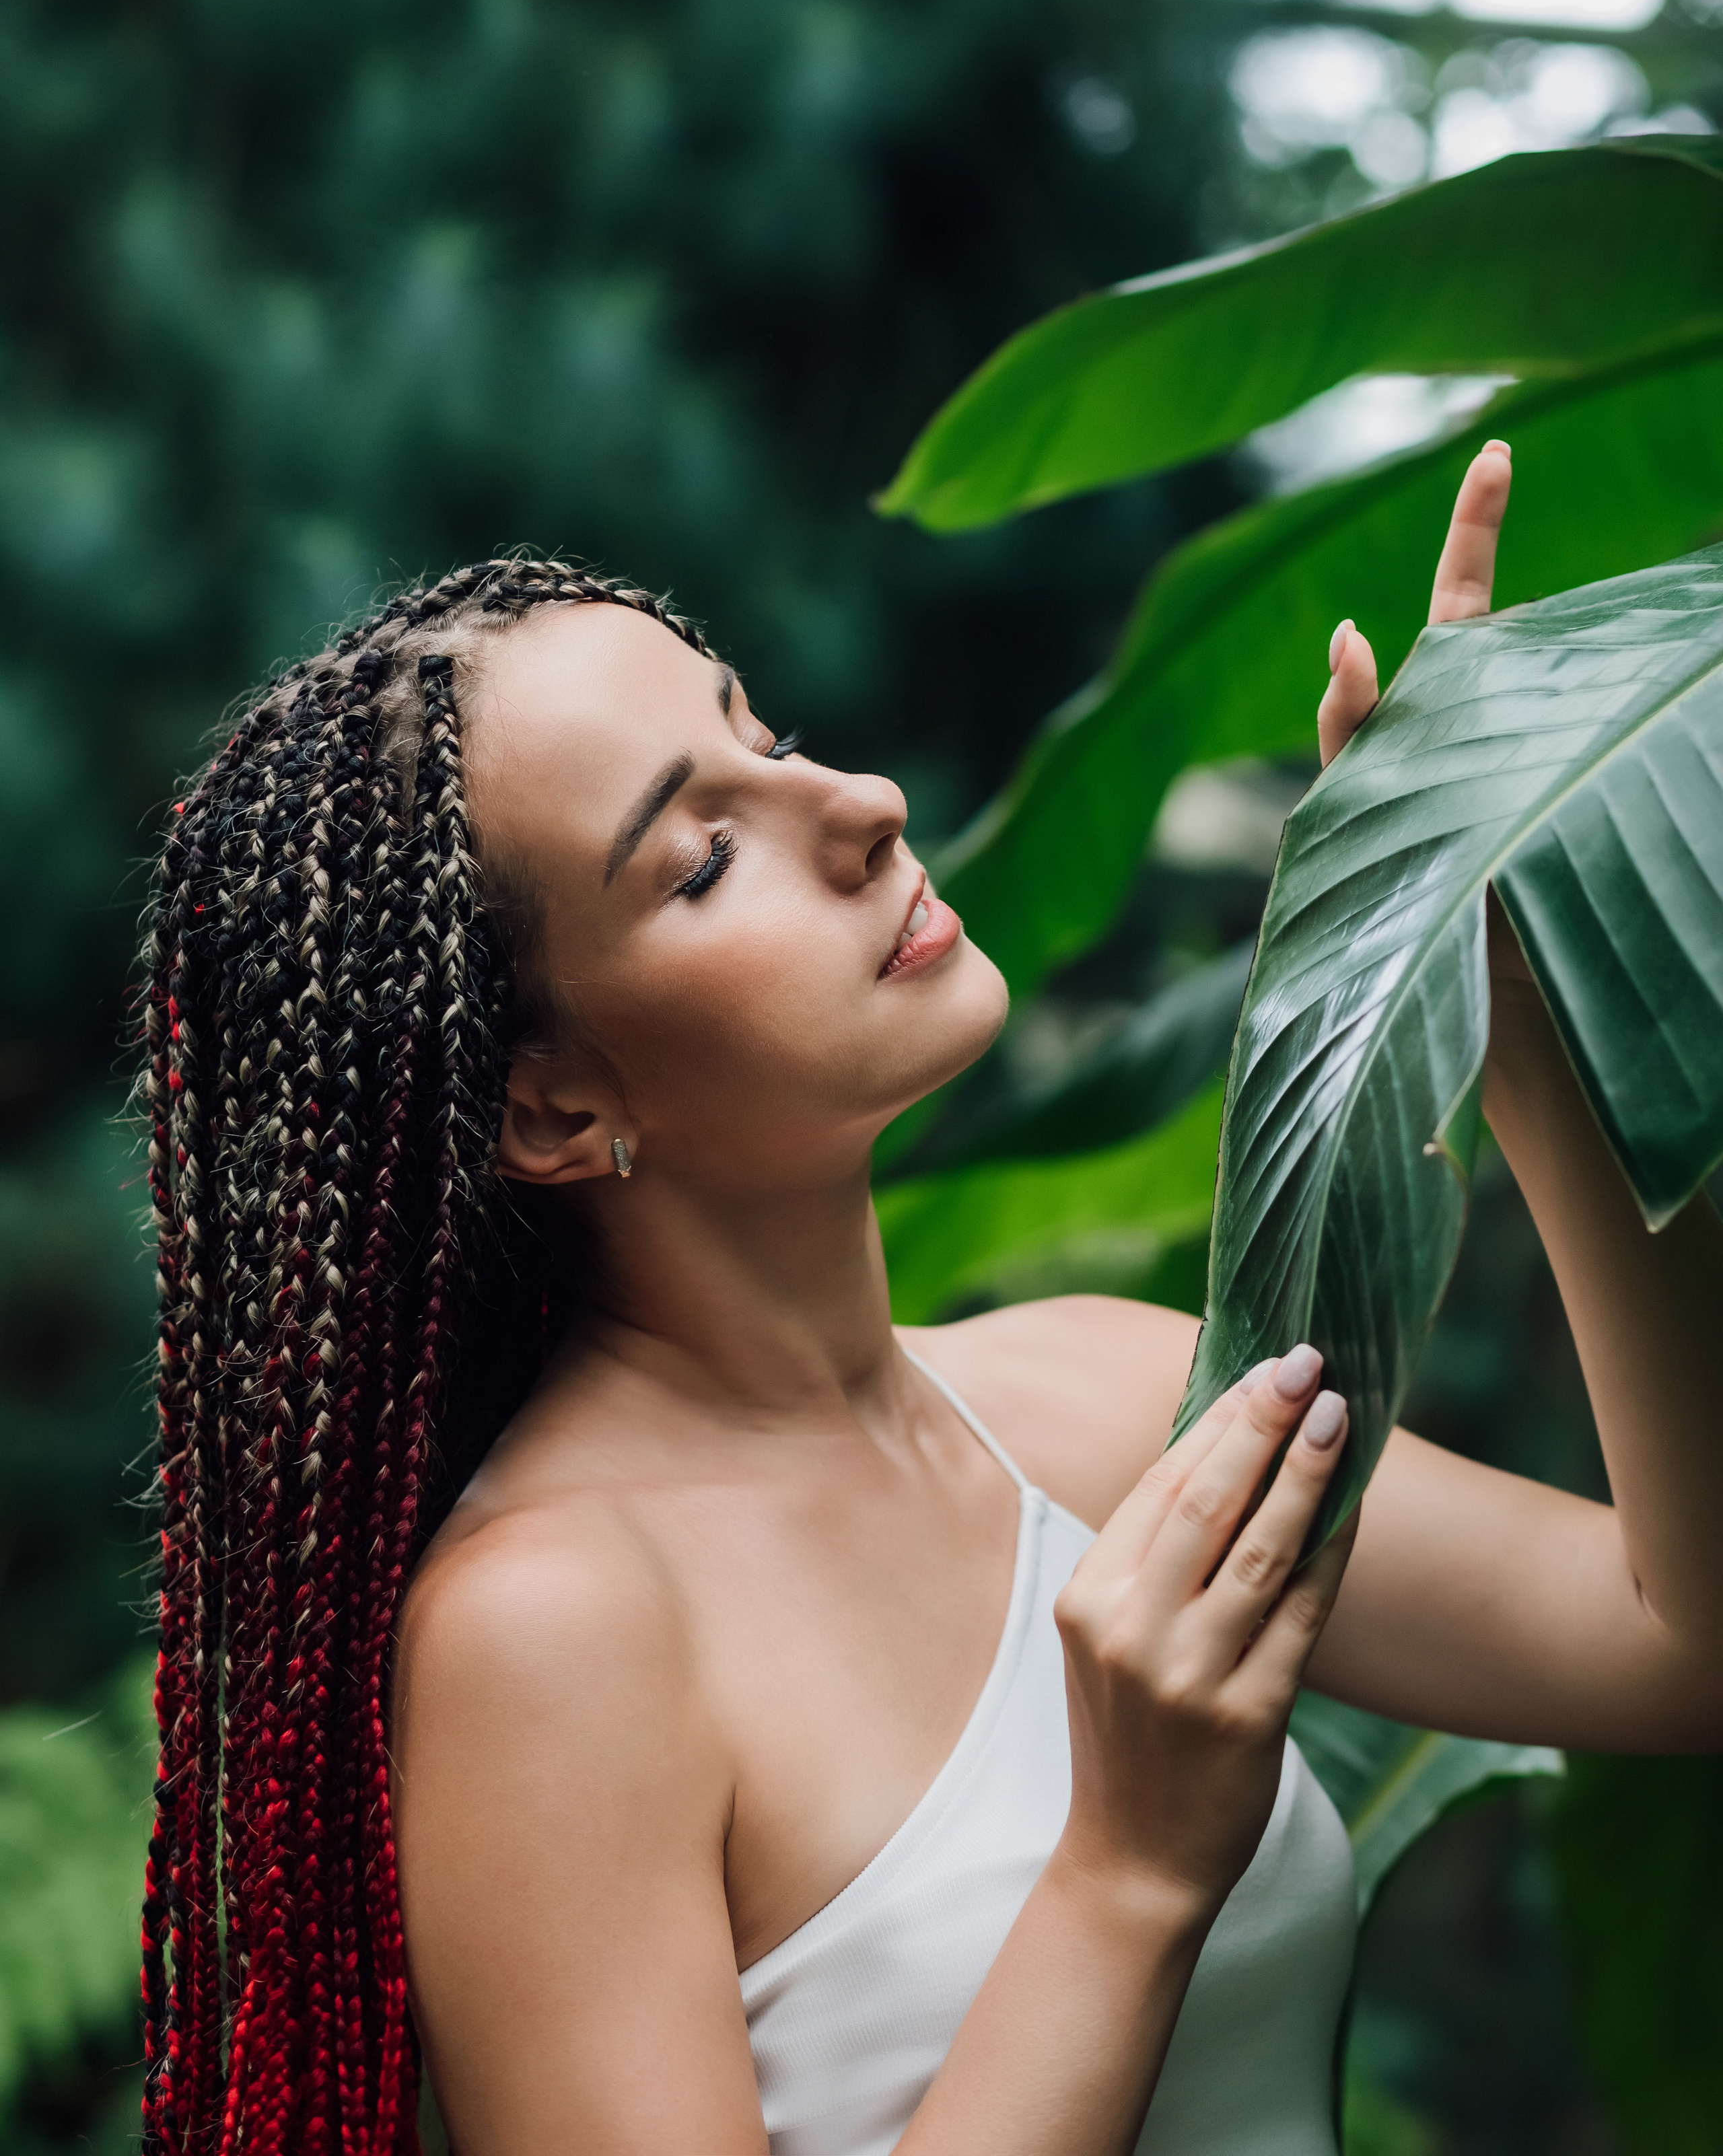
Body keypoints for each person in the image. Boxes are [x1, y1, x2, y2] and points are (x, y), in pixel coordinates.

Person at [139, 441, 1723, 2156]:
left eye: (765, 733)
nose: (864, 800)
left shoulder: (1109, 1406)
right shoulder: (551, 1635)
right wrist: (1121, 1877)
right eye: (699, 858)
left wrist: (1522, 1019)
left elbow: (1680, 1641)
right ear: (552, 1106)